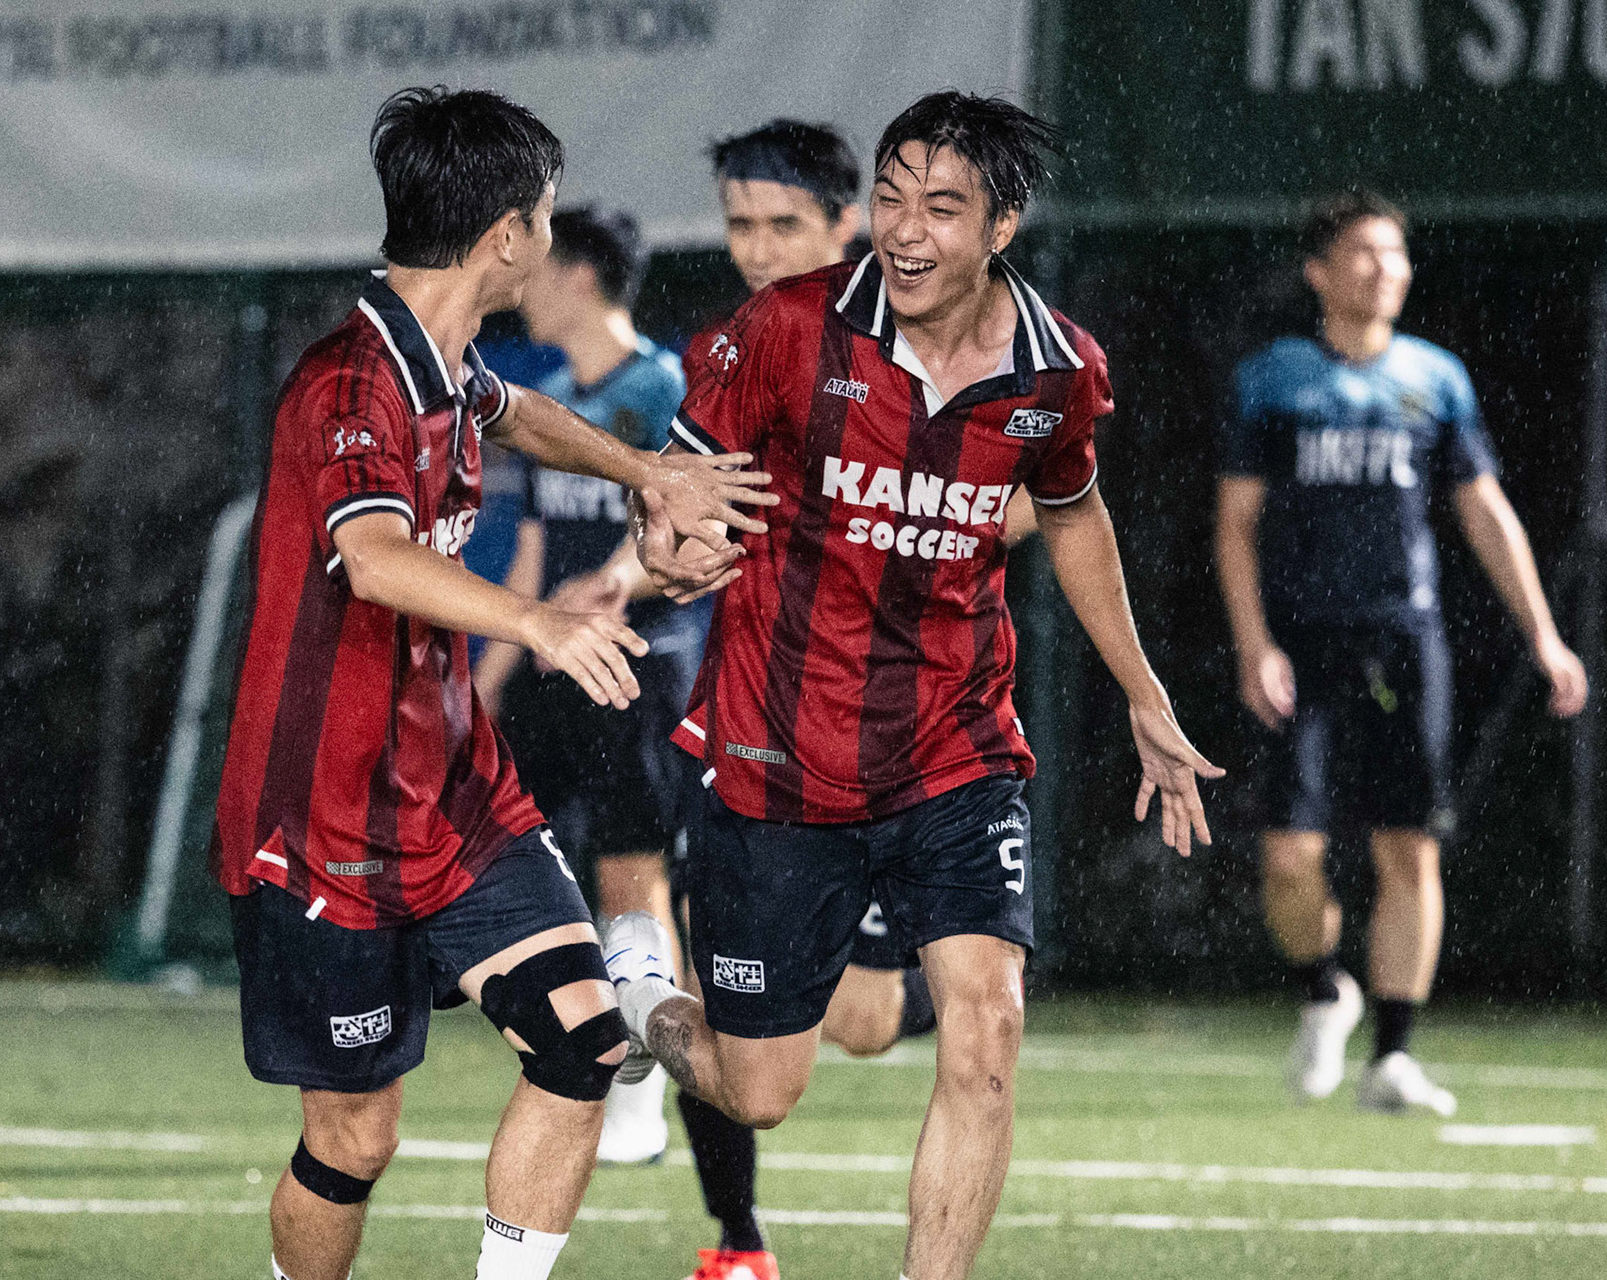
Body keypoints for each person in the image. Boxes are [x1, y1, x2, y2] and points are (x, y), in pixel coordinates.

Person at [602, 92, 1223, 1280]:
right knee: (759, 1086)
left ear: (1002, 225)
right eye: (891, 198)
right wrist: (669, 543)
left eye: (941, 205)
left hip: (955, 745)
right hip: (781, 750)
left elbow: (1073, 509)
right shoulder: (787, 328)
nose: (905, 227)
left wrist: (1145, 693)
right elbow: (676, 491)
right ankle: (636, 996)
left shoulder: (1058, 368)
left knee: (986, 1033)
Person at [211, 85, 771, 1280]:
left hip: (456, 794)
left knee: (584, 1038)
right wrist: (538, 620)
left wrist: (649, 474)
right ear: (507, 235)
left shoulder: (447, 367)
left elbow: (517, 416)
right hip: (319, 821)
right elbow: (372, 557)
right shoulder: (349, 384)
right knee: (354, 1137)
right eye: (546, 215)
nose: (552, 237)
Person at [1213, 191, 1588, 1117]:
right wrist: (1254, 643)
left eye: (1396, 254)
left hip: (1403, 642)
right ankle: (1322, 989)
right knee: (1290, 858)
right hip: (1299, 644)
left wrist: (1544, 633)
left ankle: (1393, 1056)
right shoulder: (1272, 380)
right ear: (1319, 272)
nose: (1387, 269)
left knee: (1409, 847)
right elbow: (1236, 524)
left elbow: (1483, 509)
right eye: (1365, 252)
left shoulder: (1436, 378)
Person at [471, 207, 694, 1168]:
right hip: (552, 668)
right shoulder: (546, 399)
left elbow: (688, 526)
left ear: (584, 275)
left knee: (630, 870)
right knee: (501, 852)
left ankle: (640, 1095)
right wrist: (483, 686)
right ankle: (578, 1039)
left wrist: (610, 582)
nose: (522, 284)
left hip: (637, 664)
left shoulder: (665, 387)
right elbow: (529, 556)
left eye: (542, 264)